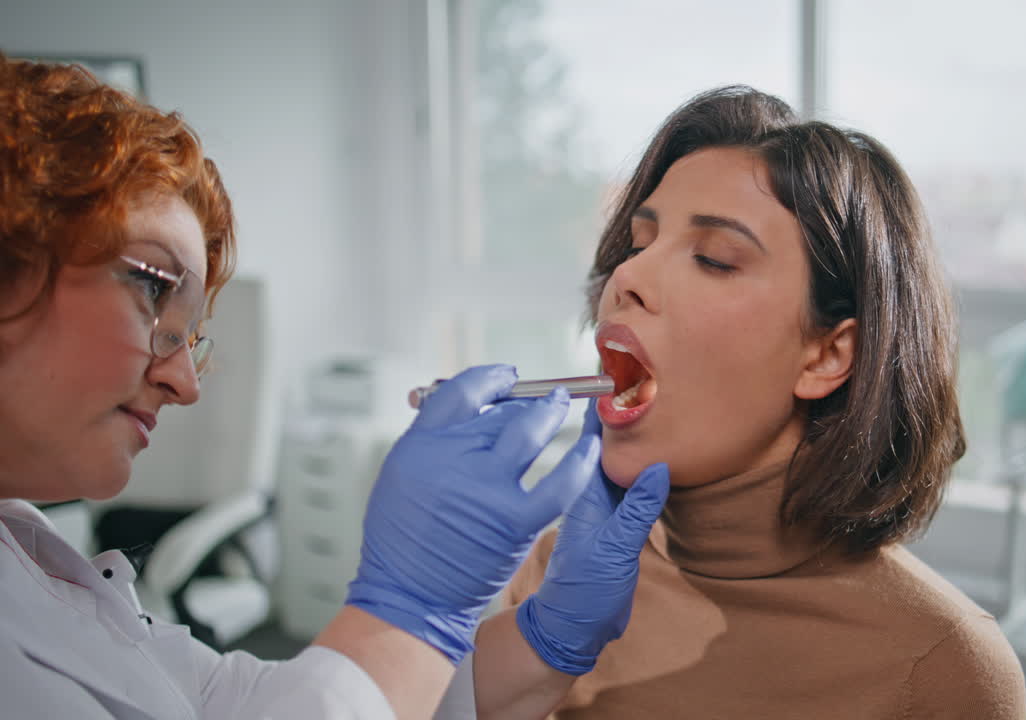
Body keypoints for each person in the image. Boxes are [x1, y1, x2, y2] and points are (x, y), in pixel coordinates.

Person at [0, 52, 668, 719]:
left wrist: (547, 642)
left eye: (190, 336)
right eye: (152, 290)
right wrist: (415, 607)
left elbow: (222, 701)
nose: (184, 384)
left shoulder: (25, 555)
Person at [466, 86, 1026, 718]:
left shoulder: (946, 668)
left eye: (713, 259)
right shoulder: (561, 577)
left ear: (826, 355)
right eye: (638, 244)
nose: (628, 277)